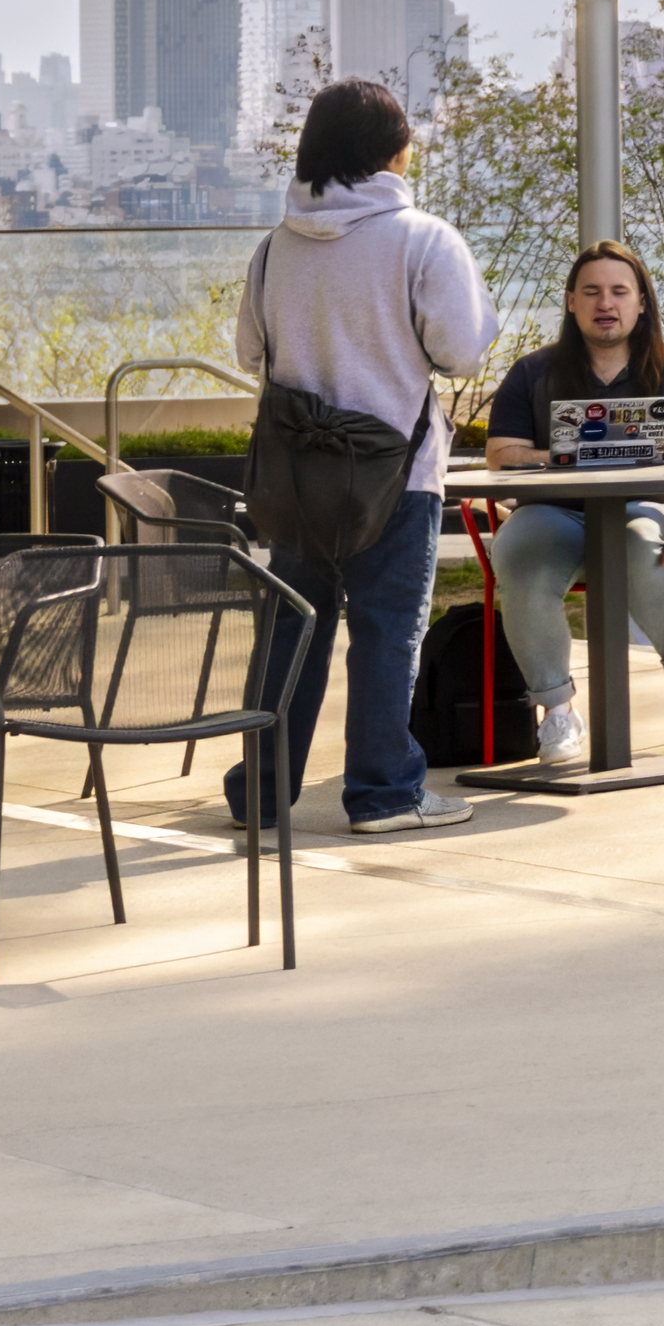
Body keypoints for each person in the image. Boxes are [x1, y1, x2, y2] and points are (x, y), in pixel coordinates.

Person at [229, 78, 495, 844]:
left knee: (291, 631)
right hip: (393, 476)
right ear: (394, 153)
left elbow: (252, 352)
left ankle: (262, 791)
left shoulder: (274, 247)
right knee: (384, 635)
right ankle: (383, 793)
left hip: (295, 478)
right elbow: (462, 352)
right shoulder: (424, 240)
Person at [484, 242, 664, 766]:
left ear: (641, 302)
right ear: (571, 302)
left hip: (638, 510)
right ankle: (556, 711)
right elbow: (499, 454)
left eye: (620, 292)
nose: (607, 303)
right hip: (550, 515)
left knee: (648, 552)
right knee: (517, 555)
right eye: (593, 292)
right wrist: (569, 454)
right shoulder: (533, 372)